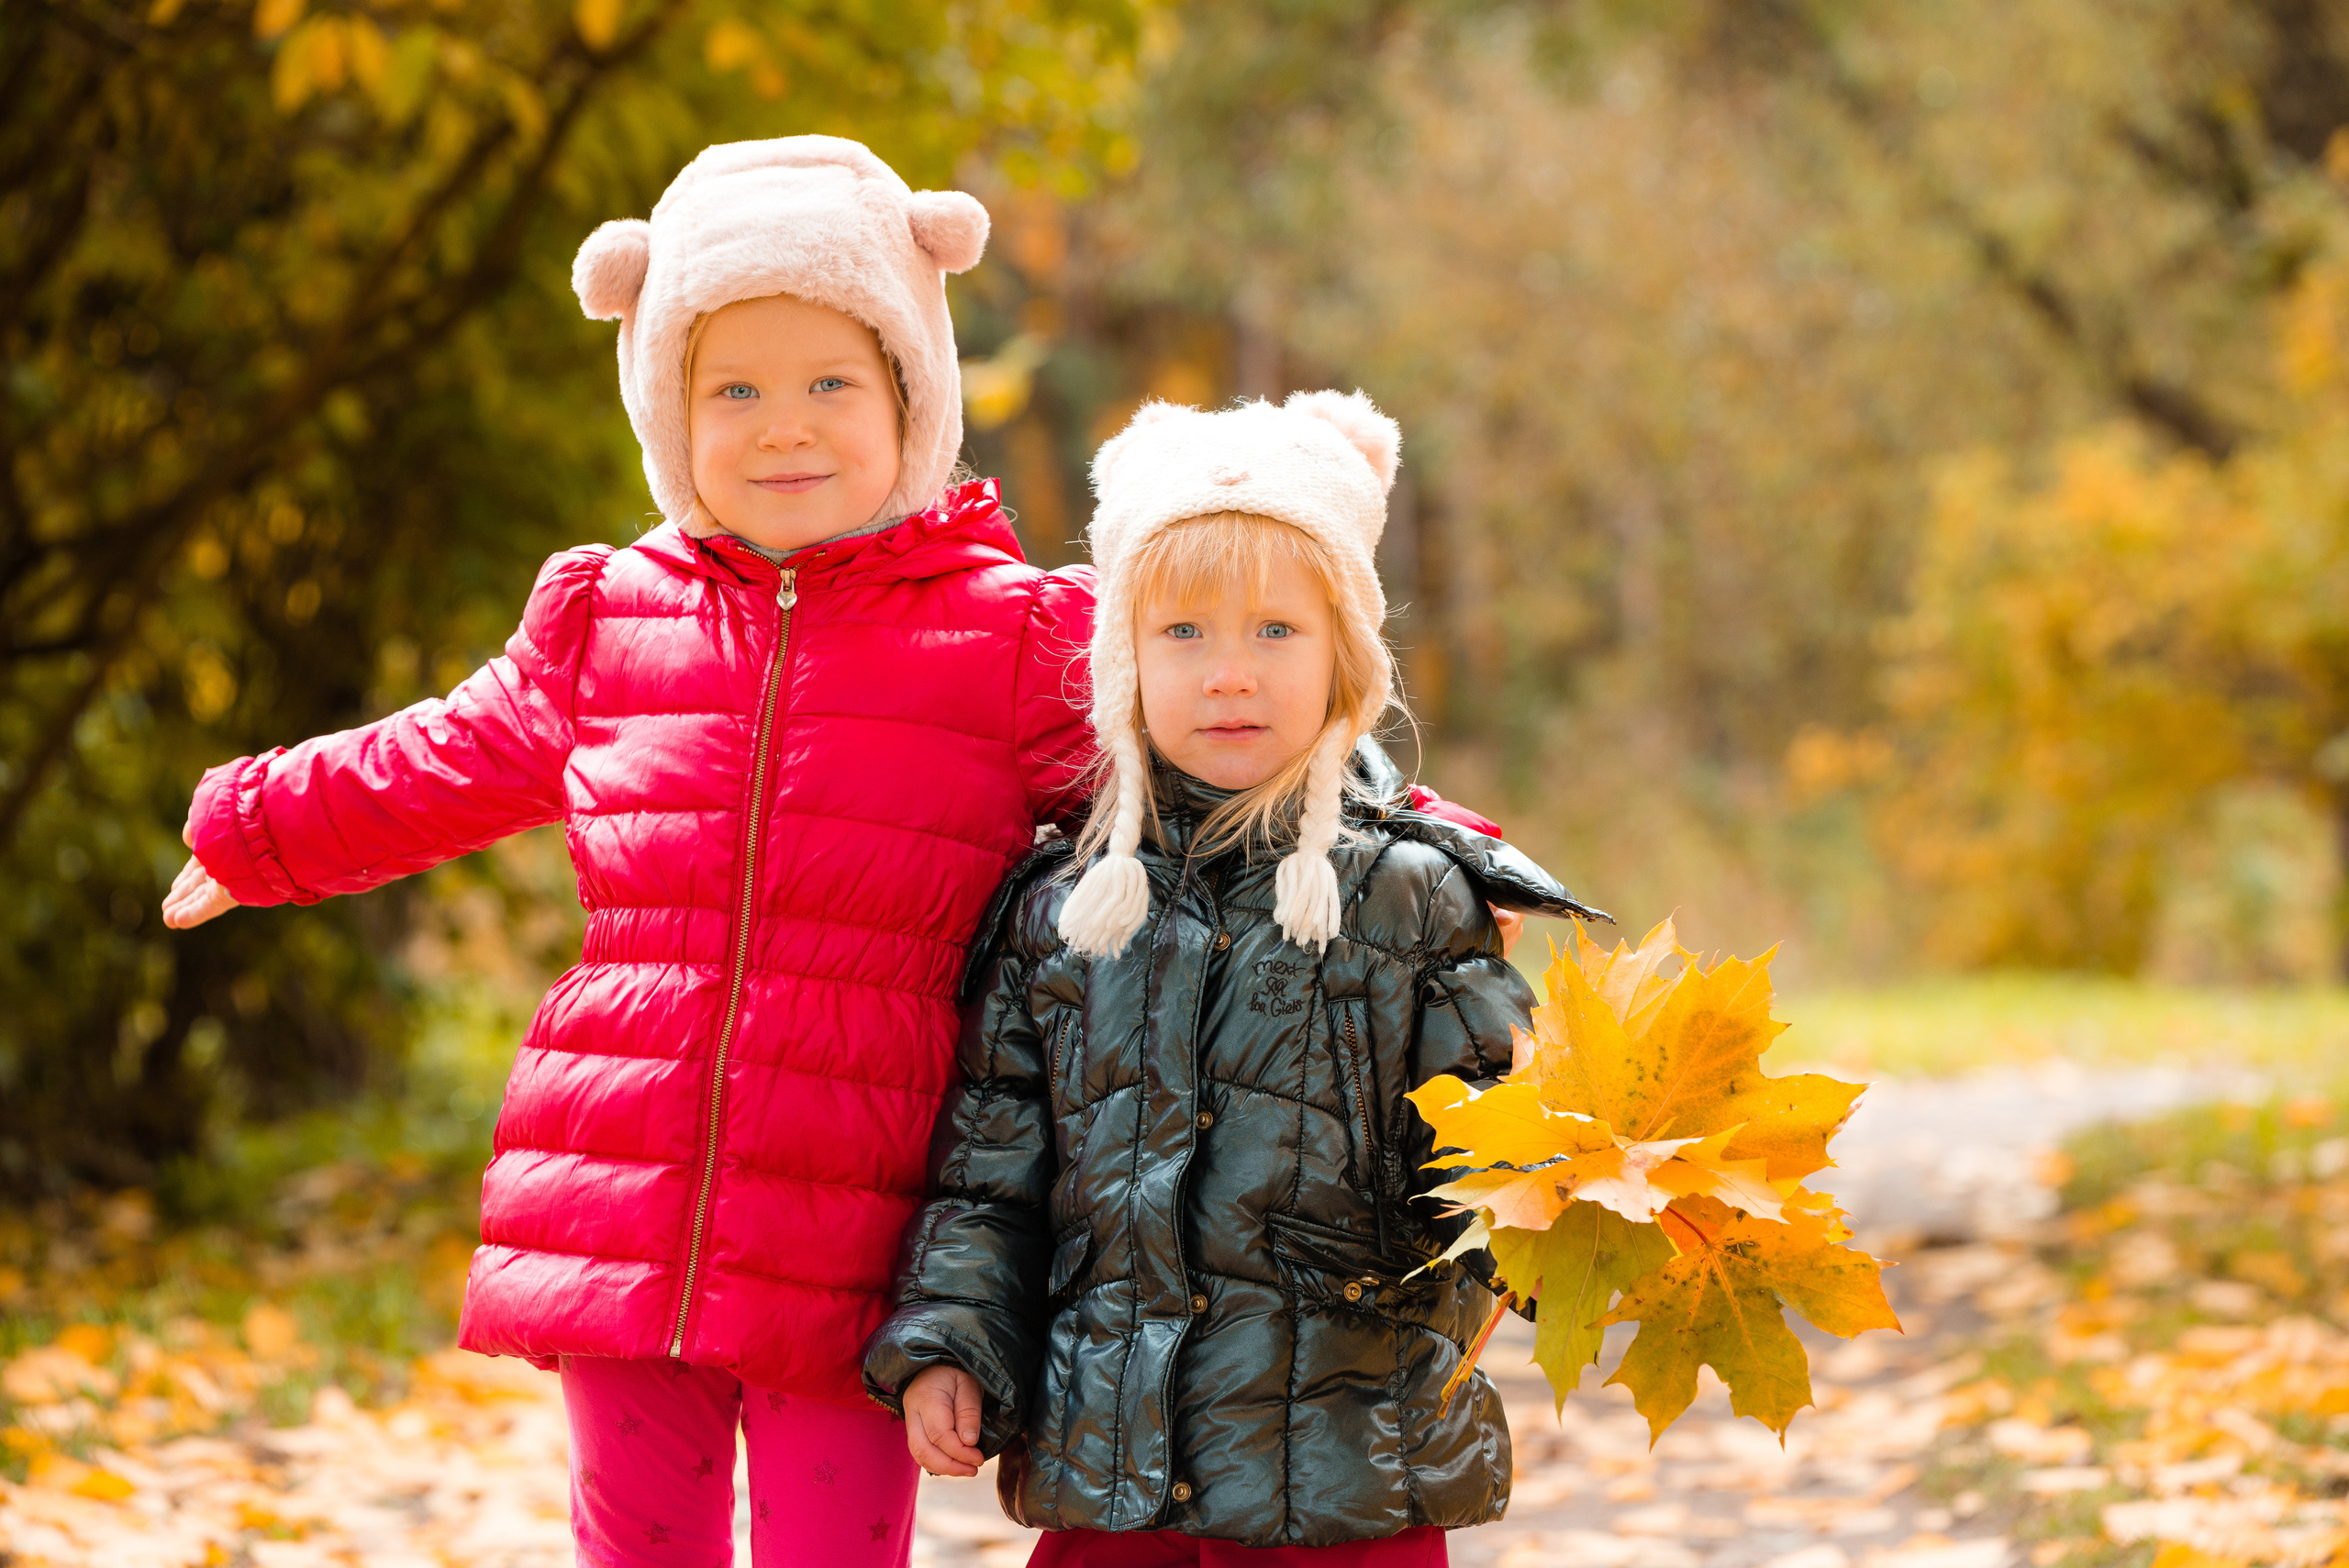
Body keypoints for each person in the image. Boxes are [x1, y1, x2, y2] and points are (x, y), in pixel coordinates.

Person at [160, 136, 1097, 1568]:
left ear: (914, 391)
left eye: (831, 382)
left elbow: (1207, 771)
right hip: (625, 1194)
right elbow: (449, 754)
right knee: (636, 1545)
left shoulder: (1013, 634)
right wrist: (260, 823)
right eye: (735, 389)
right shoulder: (611, 616)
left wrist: (1399, 863)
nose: (783, 426)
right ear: (668, 408)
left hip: (861, 1219)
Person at [861, 393, 1603, 1565]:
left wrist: (1573, 1220)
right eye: (1185, 634)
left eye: (1274, 632)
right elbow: (991, 1171)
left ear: (1343, 658)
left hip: (1343, 1455)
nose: (1228, 676)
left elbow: (1489, 1162)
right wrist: (952, 1340)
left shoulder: (1407, 895)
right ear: (1124, 664)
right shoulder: (1065, 908)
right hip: (1115, 1455)